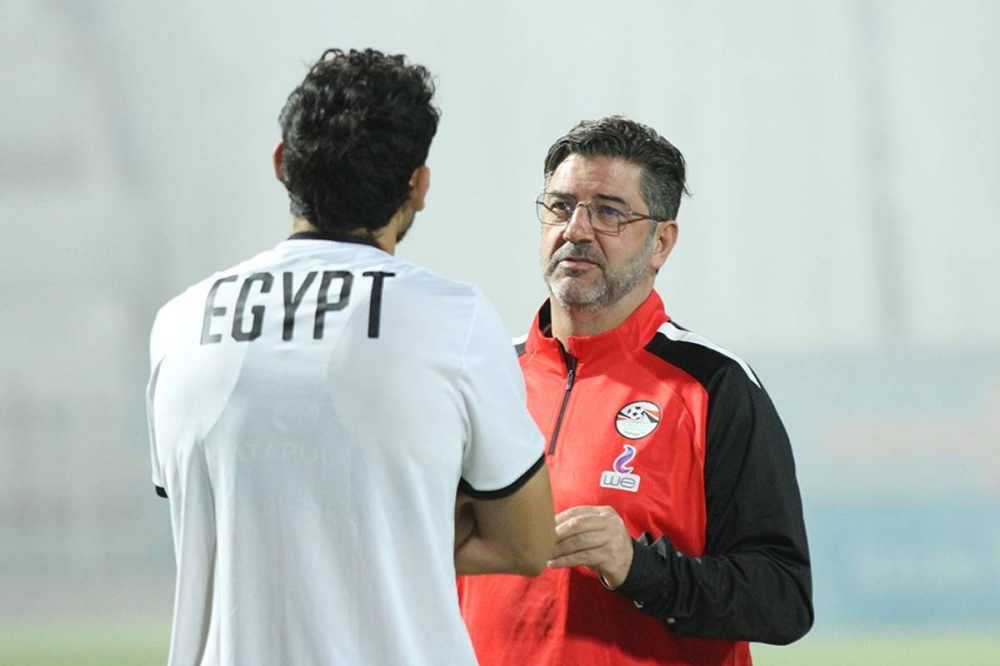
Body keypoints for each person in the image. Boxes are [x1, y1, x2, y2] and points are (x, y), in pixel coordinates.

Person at [145, 48, 554, 666]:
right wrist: (406, 527)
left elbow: (228, 509)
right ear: (418, 186)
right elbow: (527, 543)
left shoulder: (178, 323)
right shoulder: (455, 320)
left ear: (282, 164)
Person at [458, 116, 813, 665]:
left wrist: (639, 568)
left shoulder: (713, 385)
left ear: (660, 243)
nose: (576, 230)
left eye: (608, 212)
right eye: (560, 206)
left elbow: (783, 599)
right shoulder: (483, 376)